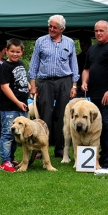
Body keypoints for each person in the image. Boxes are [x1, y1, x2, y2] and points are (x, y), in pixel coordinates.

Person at [28, 15, 79, 158]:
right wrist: (32, 84)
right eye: (50, 26)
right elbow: (34, 64)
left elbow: (74, 65)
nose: (51, 29)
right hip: (45, 82)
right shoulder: (40, 41)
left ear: (62, 29)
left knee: (63, 115)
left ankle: (60, 148)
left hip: (64, 80)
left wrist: (74, 85)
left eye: (54, 27)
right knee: (45, 115)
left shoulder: (69, 43)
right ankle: (39, 147)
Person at [81, 21, 108, 168]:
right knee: (94, 126)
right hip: (94, 94)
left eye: (101, 31)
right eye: (96, 31)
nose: (98, 33)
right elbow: (86, 69)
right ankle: (94, 156)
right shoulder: (92, 49)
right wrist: (84, 82)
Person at [0, 38, 30, 172]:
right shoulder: (5, 67)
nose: (15, 54)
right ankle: (4, 162)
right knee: (7, 134)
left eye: (17, 52)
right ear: (6, 51)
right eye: (12, 51)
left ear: (22, 52)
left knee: (18, 134)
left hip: (22, 106)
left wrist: (30, 88)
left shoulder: (21, 64)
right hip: (9, 108)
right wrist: (17, 102)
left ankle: (11, 159)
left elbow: (22, 81)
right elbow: (5, 87)